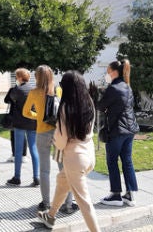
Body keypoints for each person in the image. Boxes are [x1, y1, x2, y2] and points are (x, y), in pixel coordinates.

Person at [37, 71, 101, 231]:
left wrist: (54, 139)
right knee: (62, 182)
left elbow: (61, 141)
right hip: (89, 155)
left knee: (84, 203)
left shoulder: (65, 108)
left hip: (74, 158)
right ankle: (50, 216)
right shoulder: (89, 102)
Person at [23, 65, 76, 212]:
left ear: (37, 77)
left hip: (42, 133)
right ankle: (68, 204)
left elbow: (26, 112)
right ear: (51, 76)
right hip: (58, 133)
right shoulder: (58, 90)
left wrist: (39, 117)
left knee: (44, 170)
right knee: (64, 169)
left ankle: (46, 203)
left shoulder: (34, 93)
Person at [97, 60, 139, 207]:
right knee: (127, 161)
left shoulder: (113, 88)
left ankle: (115, 195)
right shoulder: (128, 86)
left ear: (114, 72)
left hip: (117, 130)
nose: (107, 74)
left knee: (112, 161)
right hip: (130, 129)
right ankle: (130, 194)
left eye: (108, 71)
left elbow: (100, 106)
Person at [5, 68, 39, 187]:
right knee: (34, 149)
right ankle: (36, 177)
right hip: (32, 122)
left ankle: (17, 177)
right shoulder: (34, 89)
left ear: (19, 78)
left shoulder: (17, 89)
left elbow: (8, 100)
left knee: (18, 151)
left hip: (19, 123)